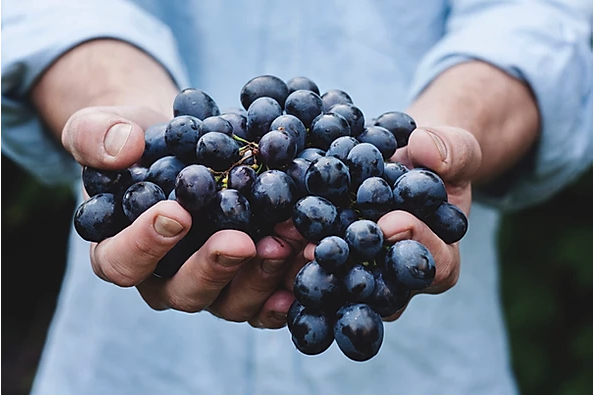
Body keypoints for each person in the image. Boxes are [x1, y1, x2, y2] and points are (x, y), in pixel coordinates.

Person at [2, 1, 592, 394]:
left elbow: (543, 20)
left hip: (423, 368)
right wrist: (118, 106)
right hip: (133, 367)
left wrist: (446, 134)